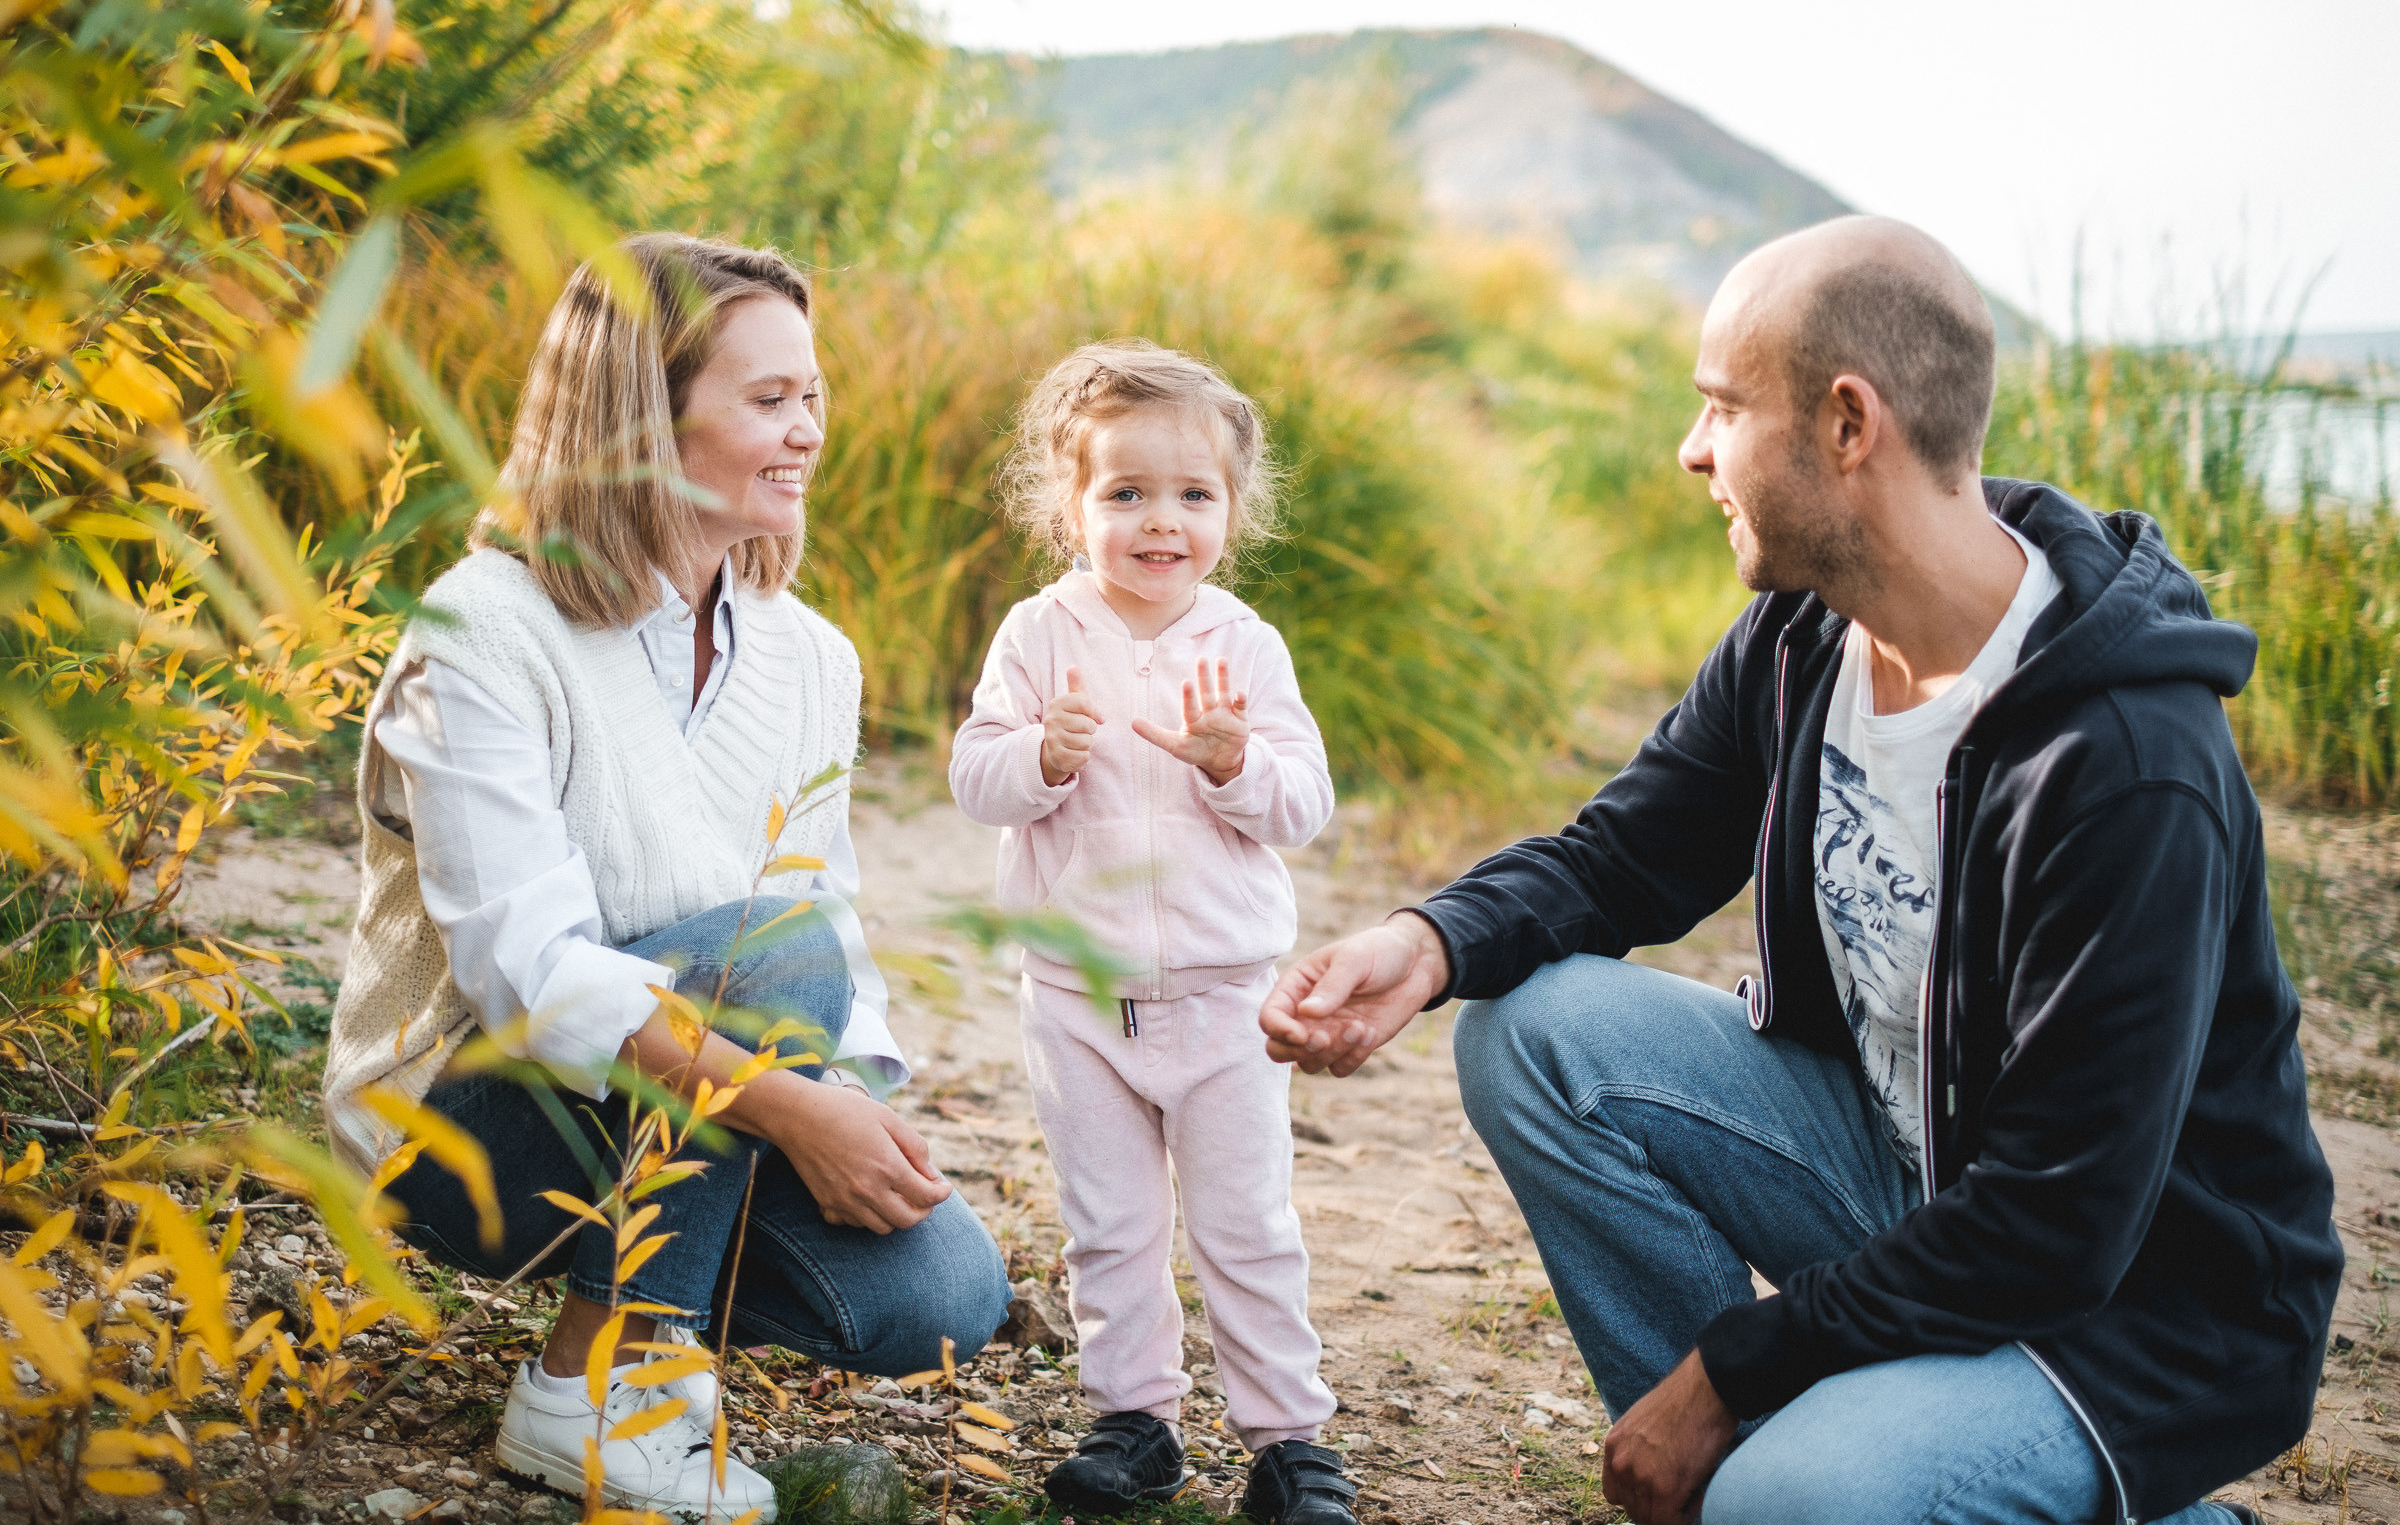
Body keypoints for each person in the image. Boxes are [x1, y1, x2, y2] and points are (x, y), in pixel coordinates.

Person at [1257, 216, 2341, 1525]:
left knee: (1797, 1497)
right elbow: (1629, 854)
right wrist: (1428, 942)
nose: (1691, 449)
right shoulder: (1806, 635)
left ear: (1846, 425)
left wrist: (1732, 1367)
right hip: (1909, 1180)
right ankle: (1737, 1480)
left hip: (2127, 1306)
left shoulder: (2120, 762)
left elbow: (2060, 1225)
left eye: (1722, 406)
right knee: (1535, 1035)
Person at [323, 235, 1010, 1521]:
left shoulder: (813, 660)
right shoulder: (487, 628)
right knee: (771, 944)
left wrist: (845, 1105)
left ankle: (663, 1312)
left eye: (813, 395)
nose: (807, 430)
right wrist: (792, 1115)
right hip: (466, 1123)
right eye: (768, 401)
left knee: (939, 1298)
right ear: (642, 418)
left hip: (690, 1105)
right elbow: (527, 977)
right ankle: (599, 1383)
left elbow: (836, 934)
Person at [949, 342, 1355, 1525]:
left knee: (1246, 1227)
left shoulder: (1244, 645)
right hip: (1077, 995)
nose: (1158, 520)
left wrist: (1237, 765)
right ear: (1072, 508)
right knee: (1111, 1225)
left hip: (1226, 998)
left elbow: (1303, 803)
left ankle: (1287, 1439)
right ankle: (1136, 1421)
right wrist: (1039, 757)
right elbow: (975, 777)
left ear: (1232, 508)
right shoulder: (1037, 633)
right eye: (1124, 493)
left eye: (1192, 494)